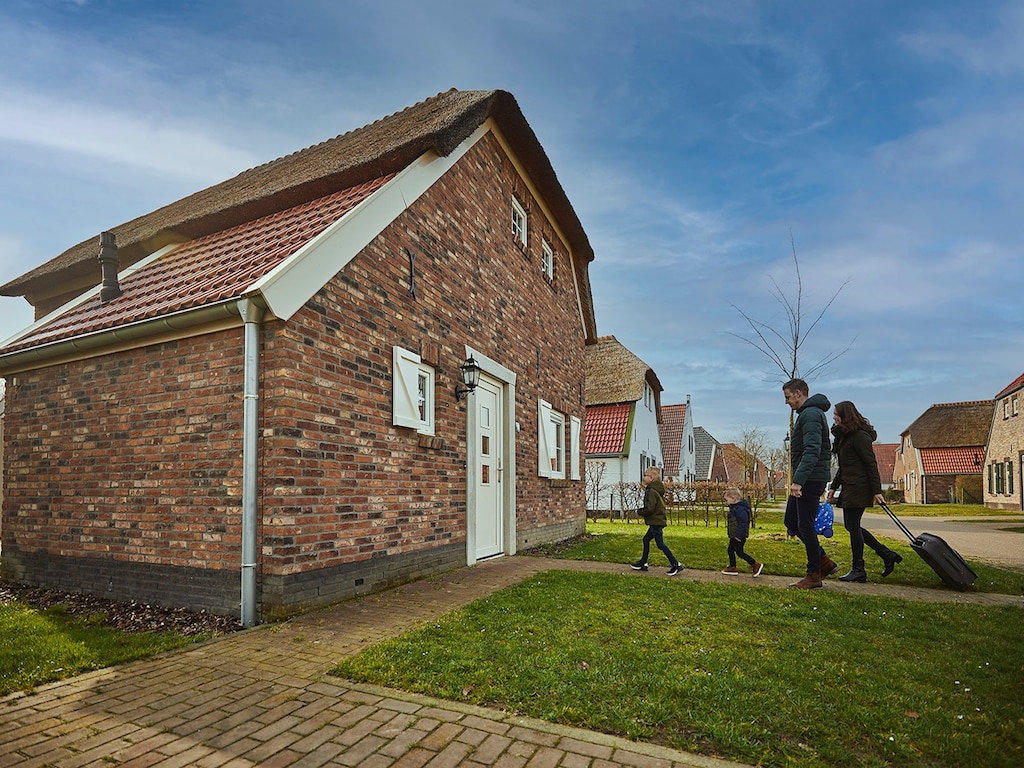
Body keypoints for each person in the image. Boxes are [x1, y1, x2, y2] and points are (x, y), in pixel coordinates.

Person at [827, 401, 902, 582]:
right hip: (850, 485)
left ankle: (859, 569)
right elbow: (844, 466)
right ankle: (886, 555)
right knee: (852, 526)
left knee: (852, 526)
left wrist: (877, 491)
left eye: (836, 414)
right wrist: (834, 487)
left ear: (846, 415)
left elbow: (870, 464)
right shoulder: (844, 436)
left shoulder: (859, 436)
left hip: (859, 487)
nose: (834, 417)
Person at [783, 378, 838, 589]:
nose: (787, 402)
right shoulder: (807, 414)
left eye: (788, 397)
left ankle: (814, 574)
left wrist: (798, 481)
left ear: (798, 393)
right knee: (792, 521)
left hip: (810, 479)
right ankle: (824, 561)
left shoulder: (812, 414)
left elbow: (812, 450)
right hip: (807, 477)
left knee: (804, 525)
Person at [630, 466, 684, 576]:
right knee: (646, 540)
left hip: (656, 521)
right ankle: (643, 562)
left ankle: (676, 564)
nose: (643, 478)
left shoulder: (651, 491)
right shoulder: (657, 489)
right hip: (657, 520)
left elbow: (650, 508)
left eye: (645, 475)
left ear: (652, 478)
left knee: (660, 544)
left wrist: (639, 512)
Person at [722, 488, 764, 577]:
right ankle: (732, 567)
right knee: (730, 550)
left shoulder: (740, 509)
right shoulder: (734, 508)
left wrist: (739, 535)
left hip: (738, 536)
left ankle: (755, 564)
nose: (726, 502)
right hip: (734, 535)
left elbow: (743, 523)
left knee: (739, 552)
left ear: (733, 499)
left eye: (727, 500)